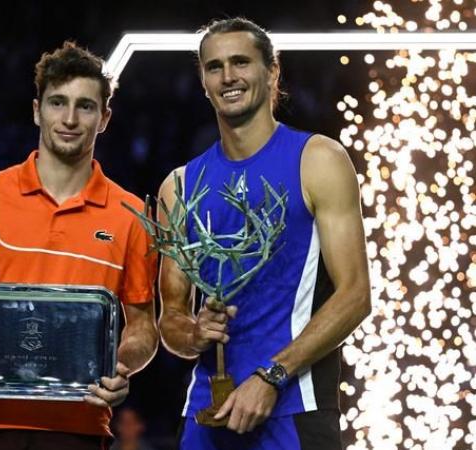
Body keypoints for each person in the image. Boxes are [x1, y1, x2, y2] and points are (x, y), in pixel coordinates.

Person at [0, 42, 159, 450]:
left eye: (85, 106)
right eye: (57, 103)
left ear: (104, 118)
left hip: (79, 427)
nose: (69, 119)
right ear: (37, 110)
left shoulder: (131, 215)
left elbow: (142, 327)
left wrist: (119, 367)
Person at [157, 18, 371, 450]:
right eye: (214, 66)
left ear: (272, 71)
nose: (228, 76)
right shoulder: (179, 186)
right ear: (203, 80)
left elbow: (355, 296)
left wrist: (272, 374)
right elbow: (171, 318)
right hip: (207, 413)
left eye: (241, 62)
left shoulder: (318, 160)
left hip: (294, 408)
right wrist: (194, 334)